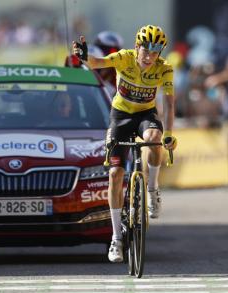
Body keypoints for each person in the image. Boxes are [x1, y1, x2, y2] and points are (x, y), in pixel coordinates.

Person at [73, 25, 177, 263]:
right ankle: (116, 239)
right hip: (120, 116)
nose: (150, 57)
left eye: (156, 52)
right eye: (147, 51)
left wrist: (169, 132)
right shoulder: (124, 58)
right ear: (137, 46)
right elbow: (97, 63)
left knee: (154, 139)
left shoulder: (165, 68)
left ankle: (152, 189)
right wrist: (84, 55)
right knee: (115, 174)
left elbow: (170, 104)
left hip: (146, 116)